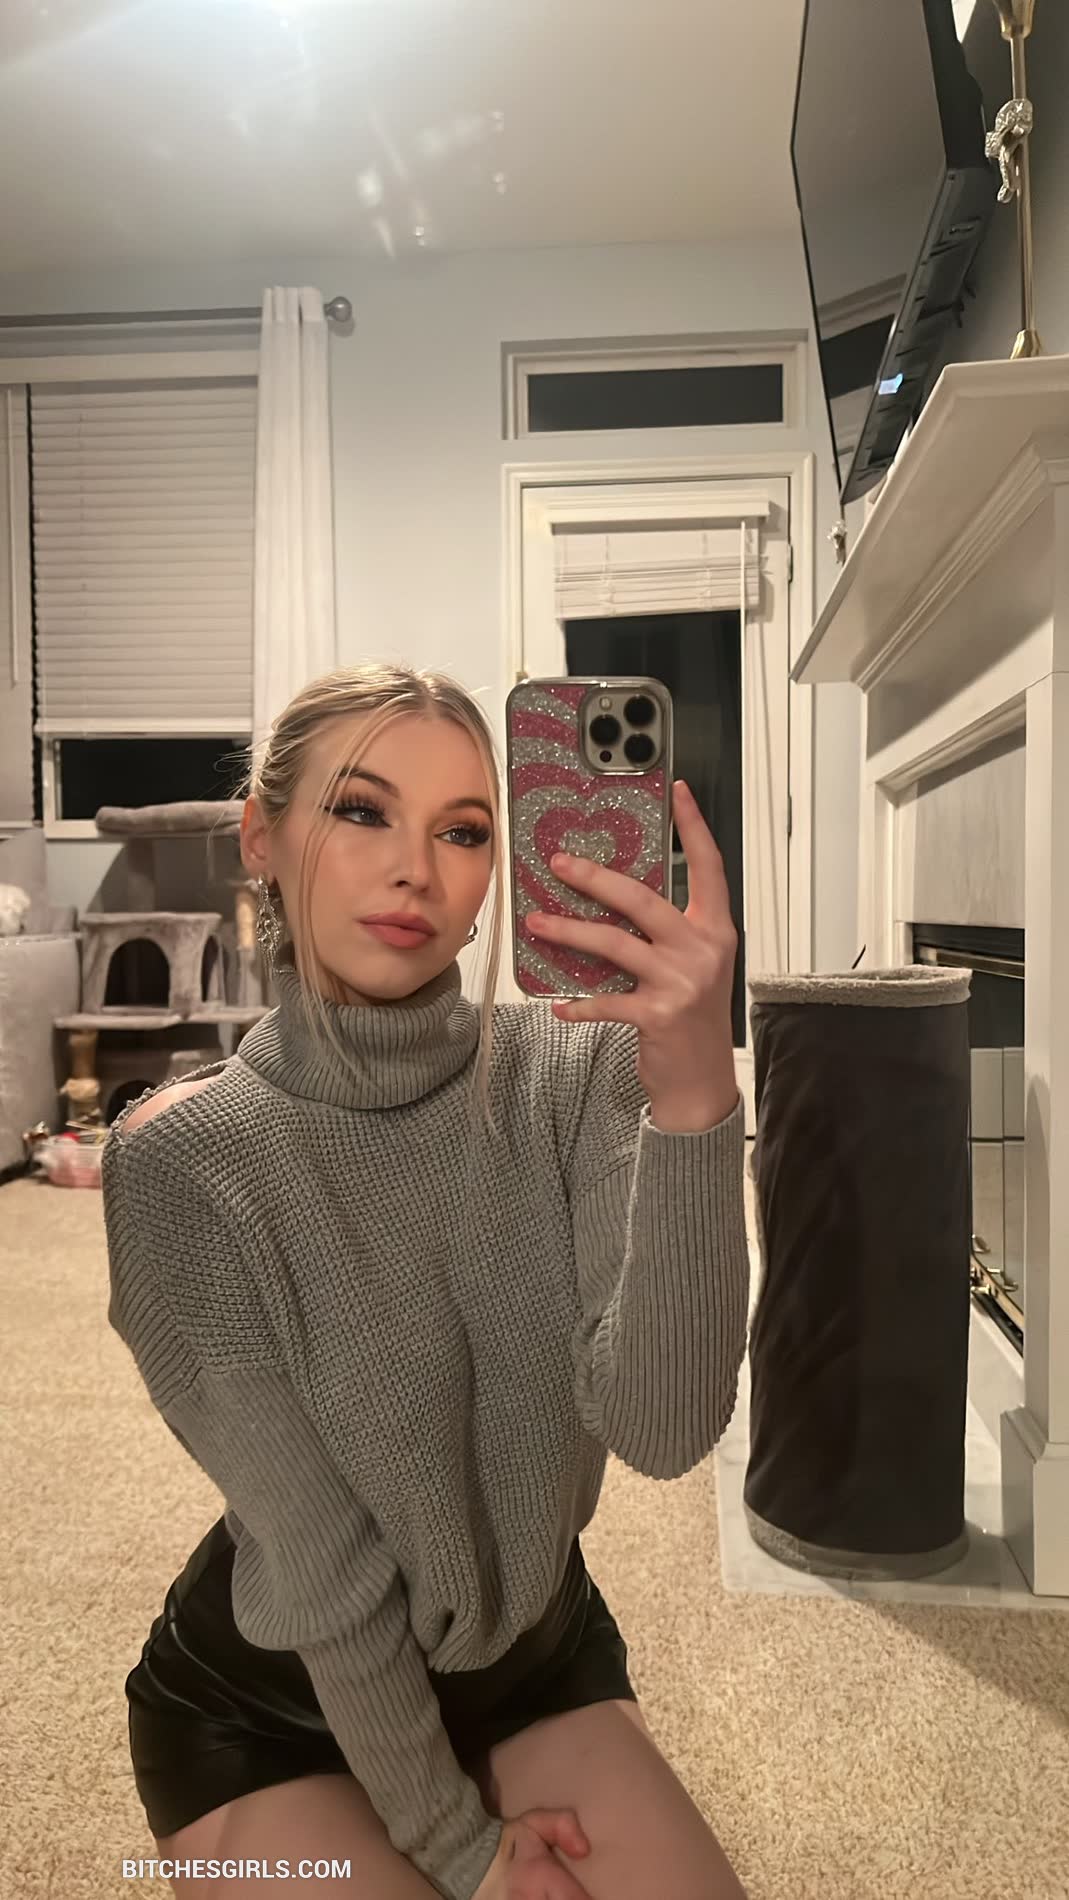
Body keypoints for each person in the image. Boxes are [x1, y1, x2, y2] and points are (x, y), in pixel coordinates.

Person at [104, 663, 751, 1900]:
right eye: (362, 810)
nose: (417, 868)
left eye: (463, 830)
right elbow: (323, 1563)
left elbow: (664, 1431)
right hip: (275, 1706)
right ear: (261, 837)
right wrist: (463, 1849)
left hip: (531, 1655)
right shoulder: (182, 1162)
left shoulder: (578, 1068)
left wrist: (694, 1100)